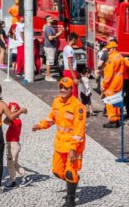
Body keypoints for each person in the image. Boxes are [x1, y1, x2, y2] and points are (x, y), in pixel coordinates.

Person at [32, 77, 86, 207]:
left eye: (65, 88)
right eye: (61, 87)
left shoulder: (78, 106)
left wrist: (73, 149)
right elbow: (52, 118)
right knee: (57, 171)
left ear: (71, 90)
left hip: (73, 146)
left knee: (69, 171)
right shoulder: (57, 101)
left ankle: (71, 200)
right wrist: (41, 125)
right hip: (60, 144)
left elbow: (79, 130)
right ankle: (73, 181)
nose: (62, 90)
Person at [101, 41, 125, 128]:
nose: (108, 50)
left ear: (114, 48)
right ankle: (117, 120)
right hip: (119, 83)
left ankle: (112, 121)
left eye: (109, 49)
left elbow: (108, 74)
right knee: (117, 102)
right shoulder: (120, 57)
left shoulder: (111, 59)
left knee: (110, 103)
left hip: (111, 85)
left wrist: (104, 85)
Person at [4, 102, 27, 188]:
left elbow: (5, 121)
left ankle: (24, 177)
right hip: (11, 144)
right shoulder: (15, 120)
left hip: (13, 145)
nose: (8, 112)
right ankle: (13, 180)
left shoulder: (17, 121)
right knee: (12, 163)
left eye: (9, 110)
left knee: (12, 163)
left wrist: (12, 113)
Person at [43, 15, 62, 82]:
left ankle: (48, 75)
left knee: (49, 61)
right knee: (49, 61)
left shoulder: (49, 27)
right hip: (49, 46)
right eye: (50, 18)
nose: (52, 19)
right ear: (47, 20)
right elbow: (50, 38)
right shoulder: (48, 28)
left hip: (50, 46)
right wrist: (58, 34)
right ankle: (48, 76)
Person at [62, 32, 79, 97]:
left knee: (68, 91)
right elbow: (70, 64)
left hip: (67, 71)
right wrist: (74, 78)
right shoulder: (70, 50)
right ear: (74, 39)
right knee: (74, 92)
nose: (76, 42)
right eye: (76, 40)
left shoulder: (66, 48)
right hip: (70, 72)